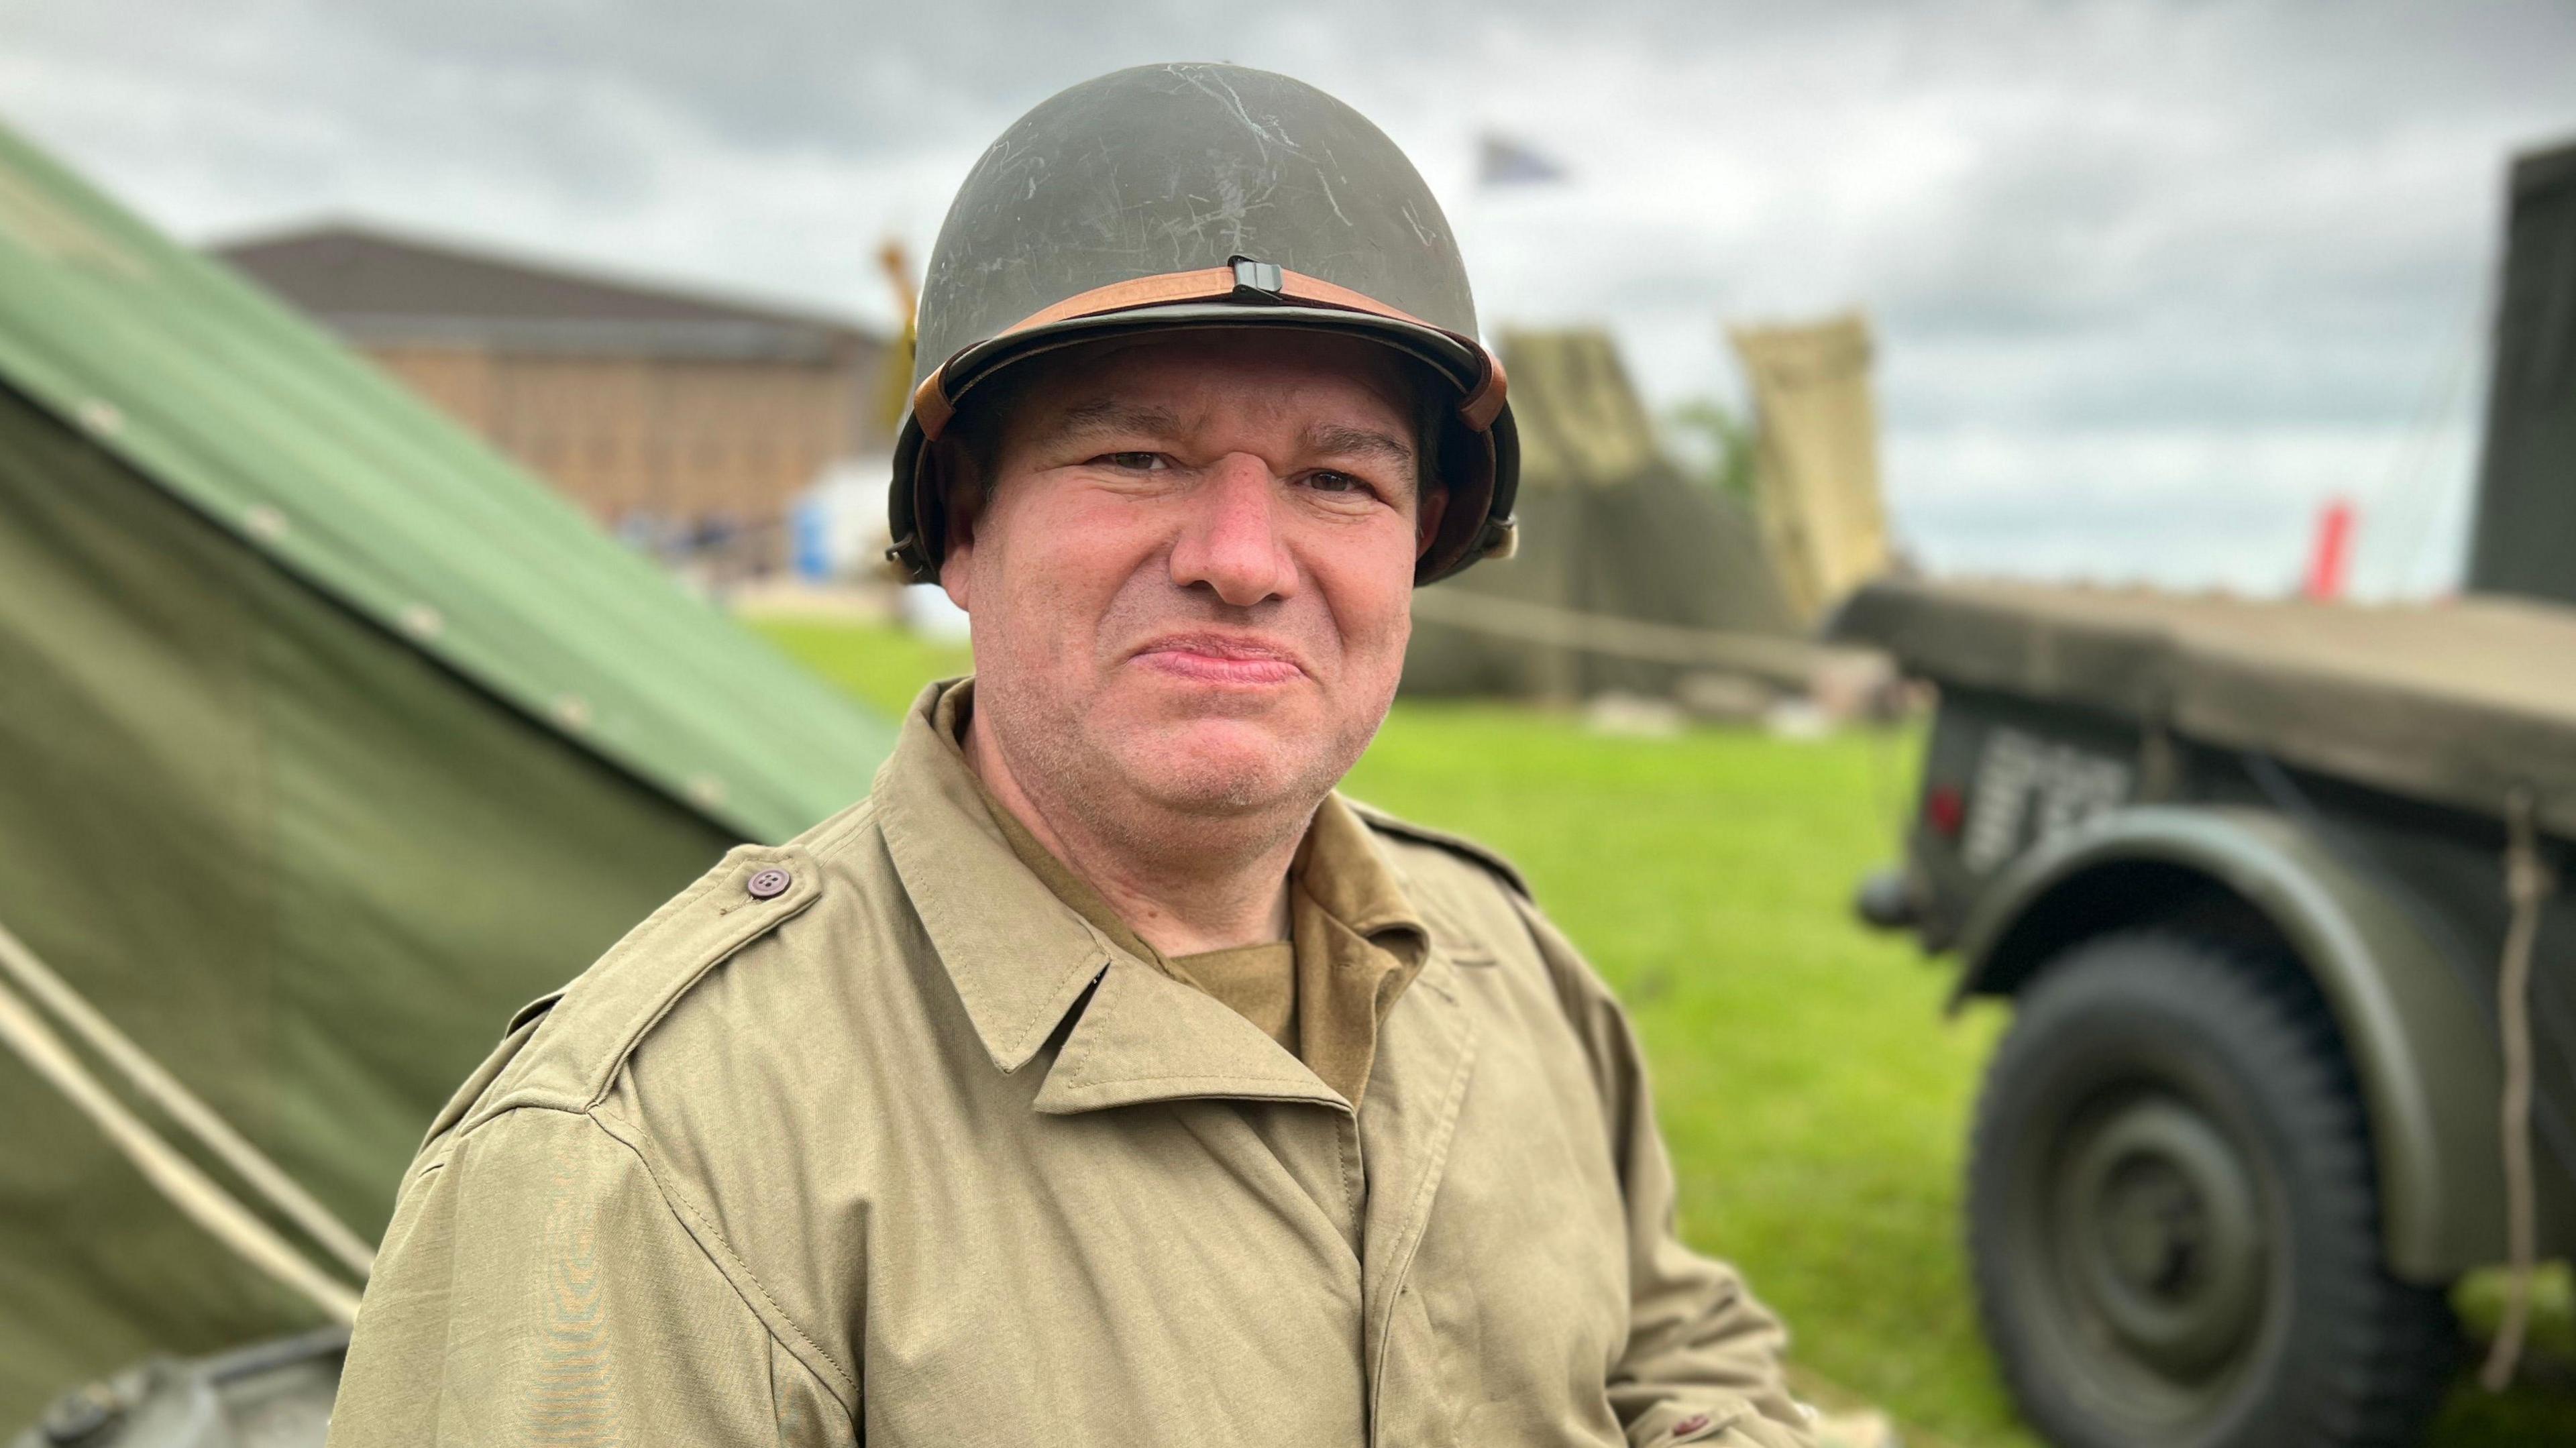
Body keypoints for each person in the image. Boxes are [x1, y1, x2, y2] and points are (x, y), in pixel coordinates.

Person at [327, 62, 1813, 1448]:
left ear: (1418, 544)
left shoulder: (1507, 973)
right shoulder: (646, 1159)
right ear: (963, 523)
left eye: (1335, 478)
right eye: (1135, 458)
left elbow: (1676, 1357)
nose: (1241, 557)